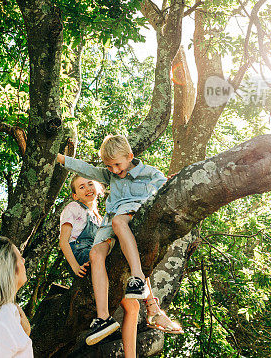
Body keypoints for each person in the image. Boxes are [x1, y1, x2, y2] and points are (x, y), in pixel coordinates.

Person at [57, 134, 183, 346]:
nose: (114, 170)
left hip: (131, 216)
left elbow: (166, 186)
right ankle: (103, 317)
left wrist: (177, 179)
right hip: (111, 221)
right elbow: (85, 168)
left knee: (119, 222)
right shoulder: (110, 176)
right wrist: (60, 158)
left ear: (130, 156)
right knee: (95, 254)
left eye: (116, 165)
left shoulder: (150, 173)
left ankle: (137, 278)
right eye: (109, 166)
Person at [58, 176, 104, 277]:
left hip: (93, 251)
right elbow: (63, 241)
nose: (88, 188)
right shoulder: (74, 207)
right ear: (75, 196)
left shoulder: (97, 217)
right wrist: (75, 267)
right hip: (79, 254)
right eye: (82, 187)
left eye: (90, 184)